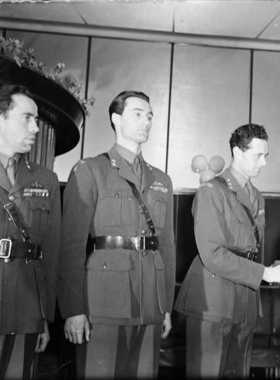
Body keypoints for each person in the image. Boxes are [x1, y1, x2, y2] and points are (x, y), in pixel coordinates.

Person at [58, 91, 176, 379]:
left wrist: (166, 306)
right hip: (104, 300)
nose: (146, 121)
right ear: (116, 119)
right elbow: (71, 245)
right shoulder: (90, 170)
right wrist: (73, 309)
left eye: (149, 115)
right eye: (138, 113)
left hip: (150, 300)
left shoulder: (161, 180)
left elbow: (168, 247)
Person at [174, 123, 280, 378]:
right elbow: (212, 254)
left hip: (244, 301)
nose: (263, 163)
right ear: (237, 153)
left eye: (266, 156)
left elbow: (252, 249)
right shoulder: (211, 191)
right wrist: (265, 273)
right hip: (213, 301)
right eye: (257, 155)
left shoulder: (257, 197)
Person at [0, 84, 60, 378]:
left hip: (26, 309)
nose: (35, 127)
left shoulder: (46, 179)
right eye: (27, 118)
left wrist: (44, 316)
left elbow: (50, 253)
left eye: (36, 120)